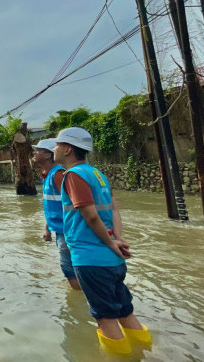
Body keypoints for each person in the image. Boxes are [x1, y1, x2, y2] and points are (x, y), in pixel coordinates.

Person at [53, 127, 150, 354]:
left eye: (57, 145)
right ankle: (147, 352)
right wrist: (117, 239)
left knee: (105, 319)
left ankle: (124, 358)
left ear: (67, 149)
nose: (54, 148)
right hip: (113, 259)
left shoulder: (73, 175)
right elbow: (114, 208)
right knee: (125, 312)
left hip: (91, 258)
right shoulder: (97, 173)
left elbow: (90, 214)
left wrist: (109, 242)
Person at [31, 138, 80, 290]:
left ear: (47, 155)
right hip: (60, 231)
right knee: (70, 270)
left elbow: (76, 205)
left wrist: (74, 237)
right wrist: (47, 228)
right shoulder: (47, 175)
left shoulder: (58, 175)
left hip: (68, 232)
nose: (34, 152)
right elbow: (54, 206)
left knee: (71, 269)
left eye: (38, 150)